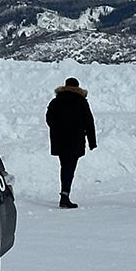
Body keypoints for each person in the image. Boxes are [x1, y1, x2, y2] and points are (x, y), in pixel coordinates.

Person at [45, 77, 97, 208]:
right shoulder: (81, 101)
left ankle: (64, 193)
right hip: (75, 140)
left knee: (64, 166)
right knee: (70, 167)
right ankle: (65, 195)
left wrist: (57, 129)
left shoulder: (55, 101)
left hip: (59, 140)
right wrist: (92, 142)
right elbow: (89, 122)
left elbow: (49, 119)